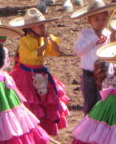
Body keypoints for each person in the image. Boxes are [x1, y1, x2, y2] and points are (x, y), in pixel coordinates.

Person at [8, 8, 70, 136]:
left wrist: (51, 41)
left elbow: (56, 52)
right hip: (26, 75)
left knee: (45, 102)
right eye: (39, 26)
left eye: (43, 25)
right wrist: (44, 45)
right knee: (30, 103)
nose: (43, 28)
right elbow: (31, 56)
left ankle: (43, 130)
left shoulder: (43, 38)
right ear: (30, 28)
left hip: (40, 72)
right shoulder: (25, 41)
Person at [70, 0, 116, 114]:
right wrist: (94, 39)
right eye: (96, 19)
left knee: (103, 102)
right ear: (90, 20)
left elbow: (114, 52)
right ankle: (89, 125)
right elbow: (78, 51)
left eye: (103, 19)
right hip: (88, 74)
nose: (100, 22)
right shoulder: (85, 34)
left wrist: (115, 39)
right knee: (90, 101)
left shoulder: (109, 34)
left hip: (106, 74)